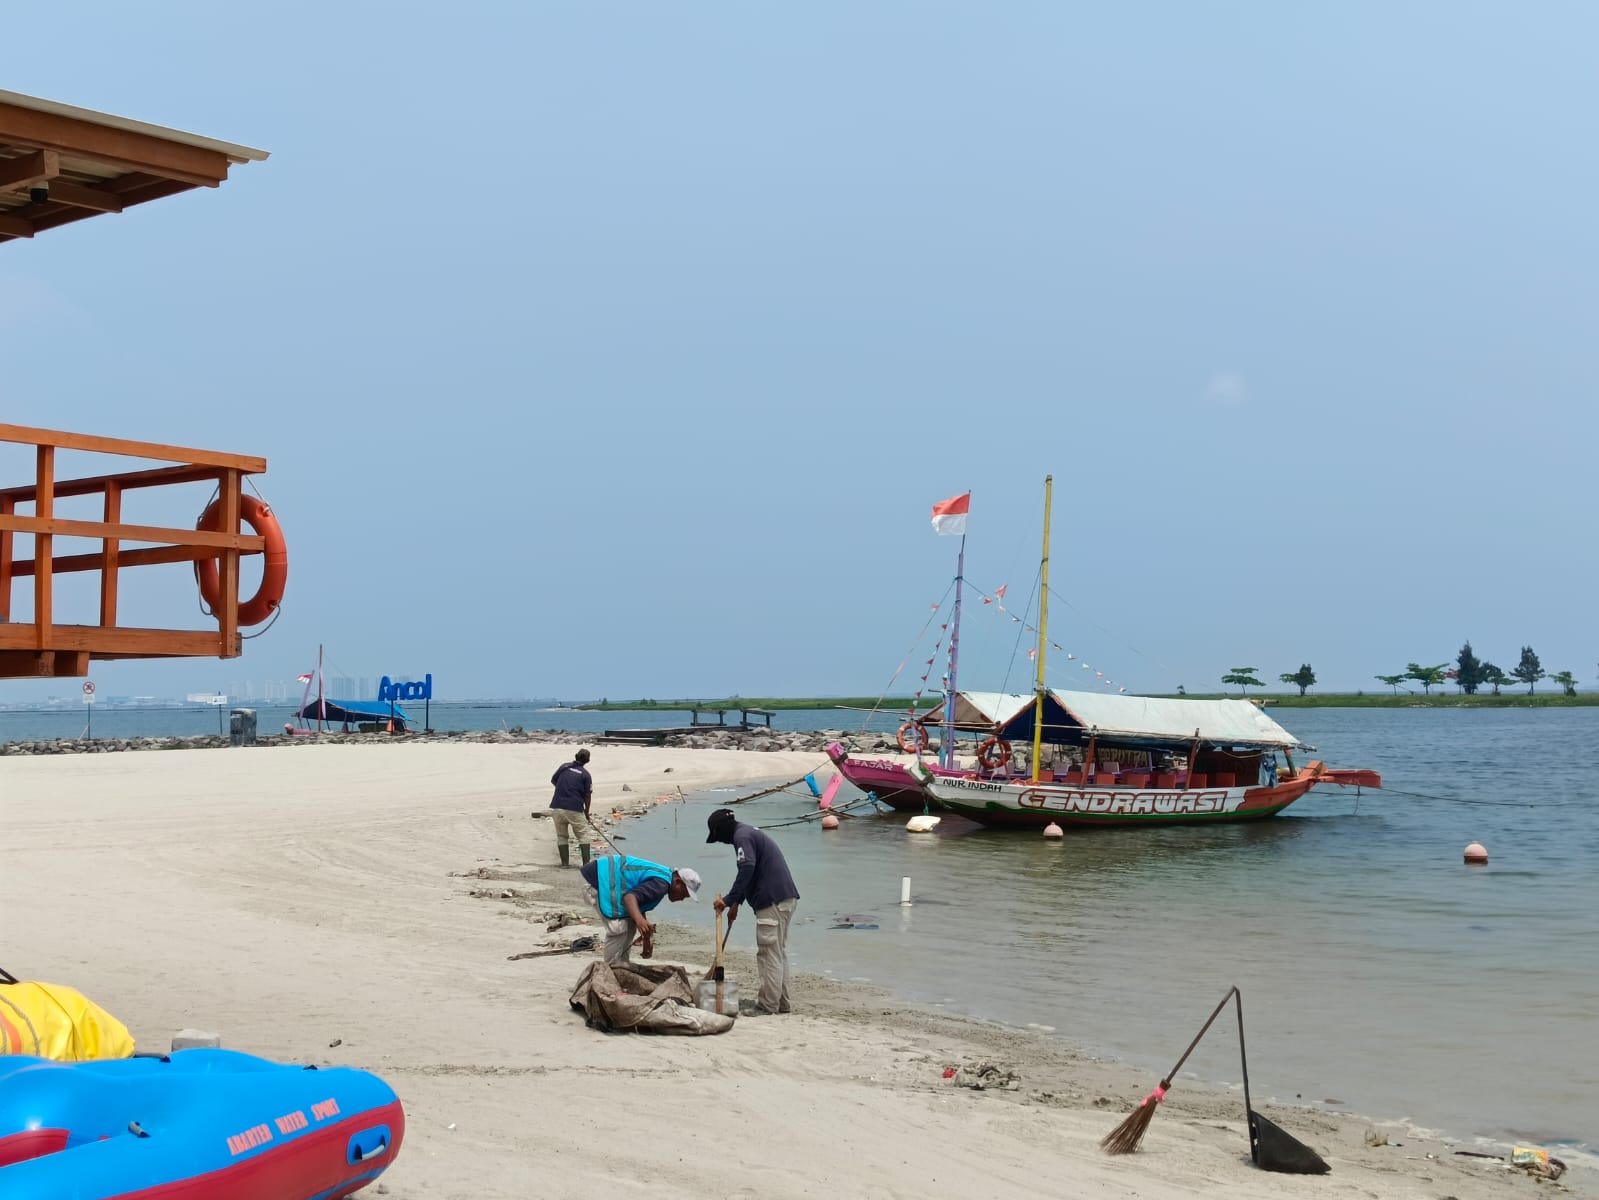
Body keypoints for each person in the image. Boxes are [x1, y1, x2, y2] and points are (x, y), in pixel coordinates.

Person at [706, 807, 800, 1015]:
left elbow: (747, 867)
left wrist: (728, 900)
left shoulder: (742, 837)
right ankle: (781, 1004)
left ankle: (767, 1006)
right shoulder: (748, 833)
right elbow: (752, 870)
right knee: (778, 953)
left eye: (717, 836)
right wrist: (737, 903)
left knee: (768, 954)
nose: (720, 841)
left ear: (721, 829)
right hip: (785, 898)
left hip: (771, 901)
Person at [578, 854, 701, 963]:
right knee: (618, 928)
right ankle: (610, 967)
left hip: (602, 877)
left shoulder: (665, 877)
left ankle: (621, 964)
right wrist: (640, 920)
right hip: (596, 880)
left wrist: (646, 938)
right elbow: (629, 899)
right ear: (678, 883)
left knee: (631, 923)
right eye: (684, 894)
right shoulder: (661, 885)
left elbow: (639, 904)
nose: (682, 899)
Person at [547, 749, 593, 868]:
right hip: (574, 808)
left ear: (576, 756)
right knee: (583, 836)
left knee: (562, 836)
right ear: (587, 760)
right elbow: (588, 795)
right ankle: (586, 865)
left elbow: (553, 780)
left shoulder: (564, 766)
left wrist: (564, 788)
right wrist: (587, 812)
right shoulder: (586, 775)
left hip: (557, 806)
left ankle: (565, 864)